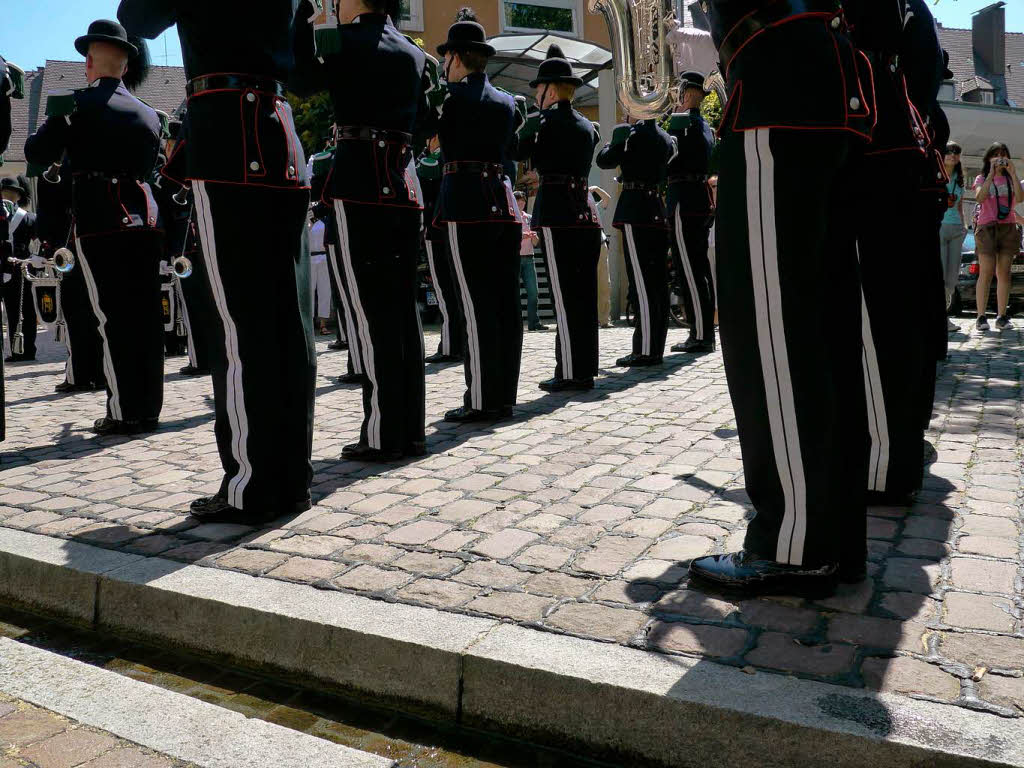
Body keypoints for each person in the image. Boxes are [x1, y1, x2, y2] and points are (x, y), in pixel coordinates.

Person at [688, 2, 875, 597]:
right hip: (823, 80)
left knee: (770, 329)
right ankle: (833, 537)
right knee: (824, 327)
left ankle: (793, 542)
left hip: (776, 78)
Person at [118, 1, 317, 522]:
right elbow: (300, 66)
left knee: (239, 323)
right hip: (277, 130)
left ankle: (252, 485)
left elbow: (136, 19)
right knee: (286, 322)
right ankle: (291, 476)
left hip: (226, 129)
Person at [298, 0, 431, 461]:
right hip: (402, 185)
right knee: (402, 312)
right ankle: (411, 429)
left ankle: (382, 433)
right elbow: (428, 120)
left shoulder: (343, 41)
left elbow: (301, 79)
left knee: (369, 313)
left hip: (359, 186)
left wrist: (307, 18)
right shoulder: (415, 53)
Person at [25, 20, 165, 437]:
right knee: (143, 317)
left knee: (113, 318)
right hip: (146, 218)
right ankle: (147, 406)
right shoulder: (147, 113)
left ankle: (124, 410)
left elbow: (36, 151)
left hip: (101, 218)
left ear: (89, 62)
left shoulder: (75, 106)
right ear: (125, 67)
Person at [435, 9, 525, 423]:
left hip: (465, 203)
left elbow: (429, 141)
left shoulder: (449, 100)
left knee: (474, 305)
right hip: (502, 205)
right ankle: (504, 393)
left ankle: (482, 398)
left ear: (456, 57)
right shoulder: (508, 102)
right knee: (505, 304)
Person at [519, 45, 602, 391]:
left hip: (556, 213)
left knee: (564, 295)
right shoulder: (587, 125)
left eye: (538, 90)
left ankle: (569, 371)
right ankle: (584, 368)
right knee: (583, 295)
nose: (536, 96)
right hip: (585, 214)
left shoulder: (543, 123)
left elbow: (514, 149)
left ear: (551, 90)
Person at [596, 118, 673, 367]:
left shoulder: (628, 133)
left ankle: (645, 350)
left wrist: (615, 140)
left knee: (641, 284)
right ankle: (655, 347)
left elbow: (604, 161)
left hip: (635, 208)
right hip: (655, 209)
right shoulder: (664, 136)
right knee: (658, 283)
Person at [157, 117, 212, 376]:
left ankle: (201, 359)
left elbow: (166, 218)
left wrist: (168, 251)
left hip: (186, 249)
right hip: (197, 245)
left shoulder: (170, 175)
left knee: (194, 305)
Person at [666, 72, 716, 355]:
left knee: (691, 269)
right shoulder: (703, 125)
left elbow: (667, 159)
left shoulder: (682, 125)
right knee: (700, 269)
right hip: (697, 199)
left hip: (684, 200)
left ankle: (700, 333)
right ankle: (703, 331)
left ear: (685, 96)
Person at [418, 138, 463, 364]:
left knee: (445, 291)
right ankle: (459, 343)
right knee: (455, 291)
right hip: (452, 227)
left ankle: (450, 346)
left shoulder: (435, 160)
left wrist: (430, 150)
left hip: (437, 230)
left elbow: (421, 173)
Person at [973, 142, 1021, 332]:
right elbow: (979, 197)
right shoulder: (981, 177)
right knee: (985, 272)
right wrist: (991, 175)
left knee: (1004, 273)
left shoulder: (1010, 180)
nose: (1000, 158)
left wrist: (1013, 173)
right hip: (987, 228)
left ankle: (1001, 315)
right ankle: (981, 316)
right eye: (996, 155)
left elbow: (1020, 197)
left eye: (1003, 155)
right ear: (988, 158)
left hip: (1007, 227)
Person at [1, 176, 38, 363]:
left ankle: (23, 350)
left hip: (15, 268)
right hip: (19, 268)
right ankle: (25, 350)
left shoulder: (28, 217)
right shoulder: (29, 218)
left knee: (23, 311)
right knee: (23, 312)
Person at [939, 141, 966, 332]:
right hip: (938, 227)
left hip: (956, 228)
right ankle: (938, 318)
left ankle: (944, 317)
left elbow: (960, 206)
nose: (952, 155)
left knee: (951, 279)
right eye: (949, 152)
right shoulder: (935, 174)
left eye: (956, 153)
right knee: (938, 275)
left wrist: (964, 227)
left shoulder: (960, 178)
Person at [516, 192, 545, 332]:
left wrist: (533, 237)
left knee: (533, 292)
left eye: (523, 201)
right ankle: (515, 323)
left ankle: (534, 322)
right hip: (515, 258)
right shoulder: (512, 218)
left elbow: (536, 242)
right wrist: (522, 236)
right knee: (514, 293)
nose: (521, 203)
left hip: (529, 257)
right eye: (518, 201)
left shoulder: (529, 218)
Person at [591, 186, 612, 328]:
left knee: (604, 283)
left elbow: (607, 199)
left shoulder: (592, 201)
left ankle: (604, 319)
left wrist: (597, 188)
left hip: (600, 243)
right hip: (583, 244)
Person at [308, 214, 331, 336]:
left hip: (324, 257)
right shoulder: (307, 216)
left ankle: (323, 324)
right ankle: (309, 324)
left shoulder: (325, 217)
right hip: (309, 258)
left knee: (325, 291)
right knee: (309, 291)